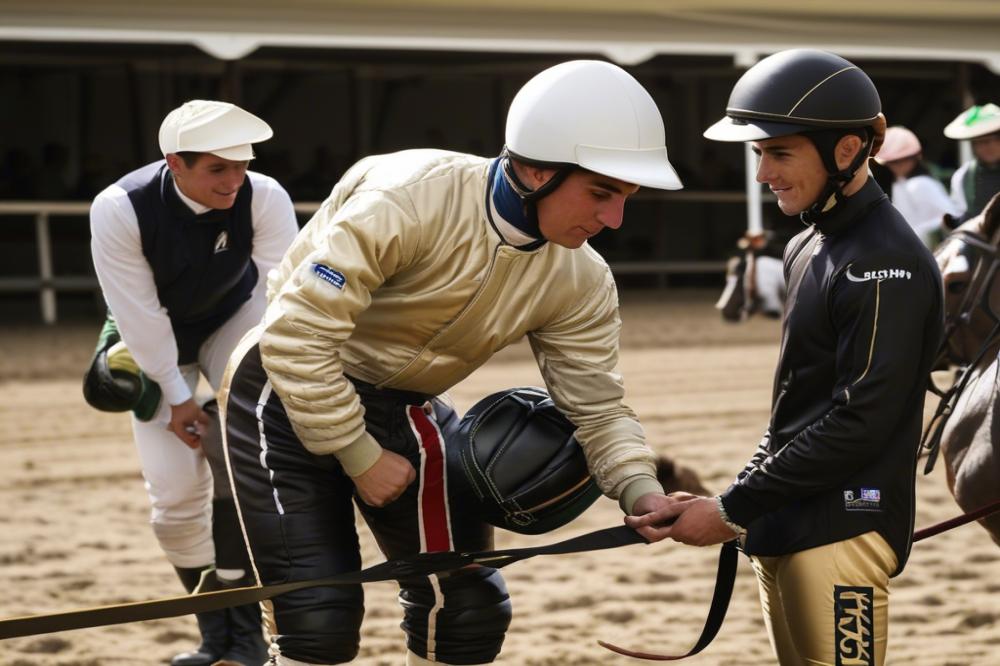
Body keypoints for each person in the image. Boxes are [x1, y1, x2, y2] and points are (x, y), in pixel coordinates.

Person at [219, 60, 686, 666]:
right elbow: (296, 335)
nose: (614, 219)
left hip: (405, 408)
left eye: (626, 197)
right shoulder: (409, 197)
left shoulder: (583, 277)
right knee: (319, 622)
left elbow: (595, 403)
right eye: (601, 193)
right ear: (537, 167)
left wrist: (637, 488)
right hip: (280, 394)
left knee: (468, 611)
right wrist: (357, 453)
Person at [627, 49, 944, 666]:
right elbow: (793, 413)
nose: (762, 173)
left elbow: (860, 421)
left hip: (842, 534)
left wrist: (732, 509)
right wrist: (735, 499)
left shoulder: (888, 261)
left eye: (779, 153)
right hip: (782, 523)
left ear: (847, 150)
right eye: (759, 155)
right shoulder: (808, 244)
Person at [87, 100, 299, 666]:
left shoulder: (267, 196)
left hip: (230, 320)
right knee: (174, 502)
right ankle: (216, 635)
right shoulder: (118, 208)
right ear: (174, 163)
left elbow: (279, 296)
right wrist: (181, 400)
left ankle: (250, 637)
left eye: (242, 167)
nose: (235, 182)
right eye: (217, 169)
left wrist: (235, 392)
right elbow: (139, 314)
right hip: (152, 339)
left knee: (249, 461)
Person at [873, 126, 960, 247]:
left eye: (903, 160)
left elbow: (949, 218)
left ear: (915, 158)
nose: (897, 166)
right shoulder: (899, 184)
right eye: (893, 162)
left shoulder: (921, 184)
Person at [944, 102, 1000, 224]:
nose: (986, 148)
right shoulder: (964, 176)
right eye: (979, 143)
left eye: (991, 141)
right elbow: (958, 212)